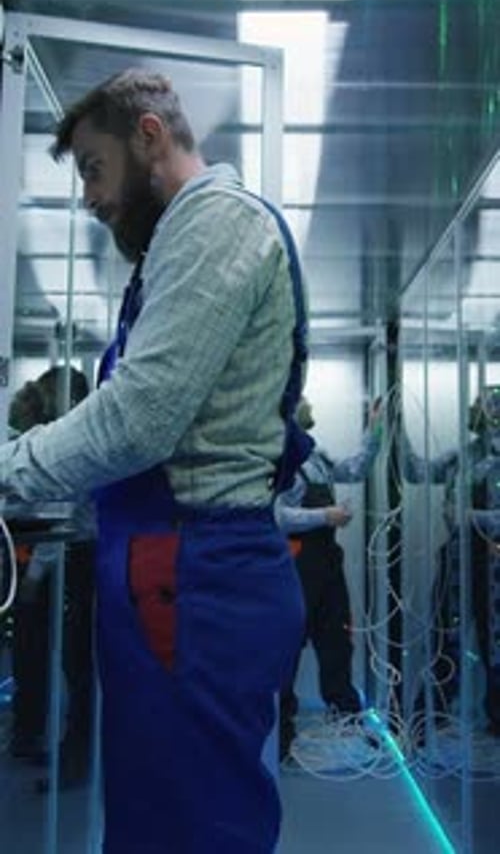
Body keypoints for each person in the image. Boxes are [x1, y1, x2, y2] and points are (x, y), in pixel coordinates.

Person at [0, 69, 307, 854]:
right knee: (156, 817)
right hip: (173, 569)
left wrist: (8, 469)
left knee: (195, 826)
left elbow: (137, 421)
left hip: (198, 574)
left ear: (149, 135)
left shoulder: (216, 225)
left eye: (94, 169)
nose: (89, 198)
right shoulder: (176, 245)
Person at [275, 395, 383, 760]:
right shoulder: (281, 459)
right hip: (297, 562)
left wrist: (374, 431)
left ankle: (347, 720)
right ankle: (282, 735)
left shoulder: (316, 456)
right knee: (288, 646)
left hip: (326, 561)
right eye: (304, 401)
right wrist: (326, 516)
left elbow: (354, 470)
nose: (311, 405)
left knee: (337, 639)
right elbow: (276, 516)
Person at [8, 366, 95, 789]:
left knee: (75, 660)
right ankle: (63, 748)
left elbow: (62, 510)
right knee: (68, 659)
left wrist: (34, 577)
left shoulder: (71, 446)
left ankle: (73, 755)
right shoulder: (68, 441)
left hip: (77, 556)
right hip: (76, 557)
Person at [403, 387, 500, 738]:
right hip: (457, 560)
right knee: (444, 635)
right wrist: (397, 430)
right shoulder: (464, 456)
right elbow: (417, 472)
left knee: (495, 642)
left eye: (478, 405)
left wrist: (468, 516)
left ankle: (496, 718)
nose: (471, 410)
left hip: (493, 565)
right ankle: (433, 714)